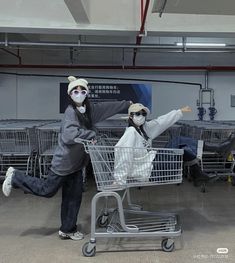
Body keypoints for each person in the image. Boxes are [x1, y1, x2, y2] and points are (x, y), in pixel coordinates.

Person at [2, 76, 132, 241]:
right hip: (64, 163)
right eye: (75, 91)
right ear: (70, 95)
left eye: (82, 91)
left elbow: (106, 107)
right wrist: (91, 134)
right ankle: (15, 177)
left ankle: (67, 229)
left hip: (76, 165)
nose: (79, 94)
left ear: (86, 93)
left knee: (74, 197)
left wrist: (126, 104)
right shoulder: (71, 112)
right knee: (47, 190)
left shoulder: (88, 110)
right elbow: (70, 135)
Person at [113, 103, 232, 187]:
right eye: (137, 114)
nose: (141, 116)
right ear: (130, 116)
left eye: (143, 114)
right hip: (149, 169)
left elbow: (160, 122)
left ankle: (198, 174)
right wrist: (119, 179)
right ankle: (217, 148)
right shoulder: (131, 132)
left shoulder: (143, 130)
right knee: (178, 140)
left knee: (183, 149)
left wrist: (179, 112)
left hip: (153, 165)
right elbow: (122, 152)